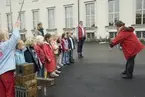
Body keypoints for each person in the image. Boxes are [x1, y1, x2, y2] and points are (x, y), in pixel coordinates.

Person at [0, 21, 20, 97]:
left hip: (0, 72)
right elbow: (15, 37)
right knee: (10, 91)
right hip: (7, 71)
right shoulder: (6, 45)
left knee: (2, 92)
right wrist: (16, 27)